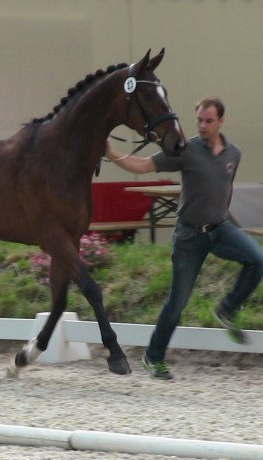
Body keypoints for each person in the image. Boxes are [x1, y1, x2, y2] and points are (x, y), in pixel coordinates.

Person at [105, 97, 263, 380]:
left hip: (220, 228)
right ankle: (153, 357)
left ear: (221, 121)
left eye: (208, 121)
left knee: (258, 260)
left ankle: (227, 308)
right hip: (189, 235)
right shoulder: (185, 149)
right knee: (177, 303)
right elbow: (142, 166)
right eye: (199, 120)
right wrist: (110, 151)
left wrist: (222, 216)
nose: (202, 126)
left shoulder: (233, 154)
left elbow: (226, 188)